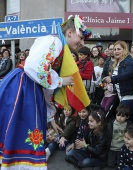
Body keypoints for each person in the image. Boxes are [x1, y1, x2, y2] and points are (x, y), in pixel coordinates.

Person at [0, 15, 92, 169]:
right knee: (17, 127)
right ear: (70, 32)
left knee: (19, 128)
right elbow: (35, 68)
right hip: (22, 87)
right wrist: (62, 81)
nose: (82, 43)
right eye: (81, 37)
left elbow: (43, 84)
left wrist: (51, 119)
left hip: (28, 88)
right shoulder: (54, 41)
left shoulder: (59, 46)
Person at [103, 41, 133, 126]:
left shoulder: (130, 61)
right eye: (114, 49)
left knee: (129, 122)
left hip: (130, 97)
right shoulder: (120, 62)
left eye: (119, 49)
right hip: (122, 97)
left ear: (125, 50)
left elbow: (127, 75)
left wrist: (112, 79)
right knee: (127, 123)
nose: (116, 51)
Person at [107, 103, 131, 168]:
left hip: (123, 149)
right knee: (110, 164)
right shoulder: (111, 124)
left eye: (122, 116)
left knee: (121, 164)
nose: (119, 118)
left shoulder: (128, 125)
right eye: (118, 115)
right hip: (112, 148)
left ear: (127, 117)